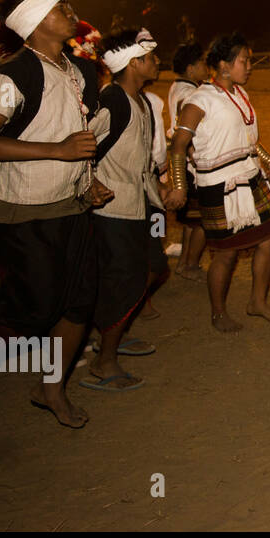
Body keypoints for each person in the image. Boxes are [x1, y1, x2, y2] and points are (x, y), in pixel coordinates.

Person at [0, 0, 112, 428]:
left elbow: (74, 137)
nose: (71, 12)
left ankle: (50, 389)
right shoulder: (12, 76)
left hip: (70, 205)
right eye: (60, 7)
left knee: (78, 305)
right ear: (34, 20)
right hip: (25, 211)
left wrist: (85, 178)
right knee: (36, 308)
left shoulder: (76, 71)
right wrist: (58, 152)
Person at [168, 32, 270, 332]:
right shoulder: (200, 99)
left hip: (250, 178)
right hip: (219, 187)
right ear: (223, 65)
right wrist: (180, 185)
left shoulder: (239, 94)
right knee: (225, 253)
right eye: (244, 61)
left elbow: (250, 139)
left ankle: (257, 302)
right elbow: (179, 144)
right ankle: (218, 313)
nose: (249, 66)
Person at [85, 30, 175, 391]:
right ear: (134, 63)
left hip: (140, 205)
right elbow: (81, 144)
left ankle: (111, 332)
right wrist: (87, 182)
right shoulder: (114, 102)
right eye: (150, 57)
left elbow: (141, 162)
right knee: (126, 279)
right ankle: (103, 359)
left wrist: (161, 189)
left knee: (154, 268)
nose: (156, 62)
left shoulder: (140, 101)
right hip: (112, 210)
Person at [167, 42, 208, 282]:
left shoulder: (177, 87)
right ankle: (191, 264)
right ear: (191, 69)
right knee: (204, 220)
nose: (207, 67)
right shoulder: (190, 94)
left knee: (191, 221)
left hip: (184, 163)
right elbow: (186, 130)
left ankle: (184, 263)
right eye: (202, 62)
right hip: (193, 165)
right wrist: (196, 156)